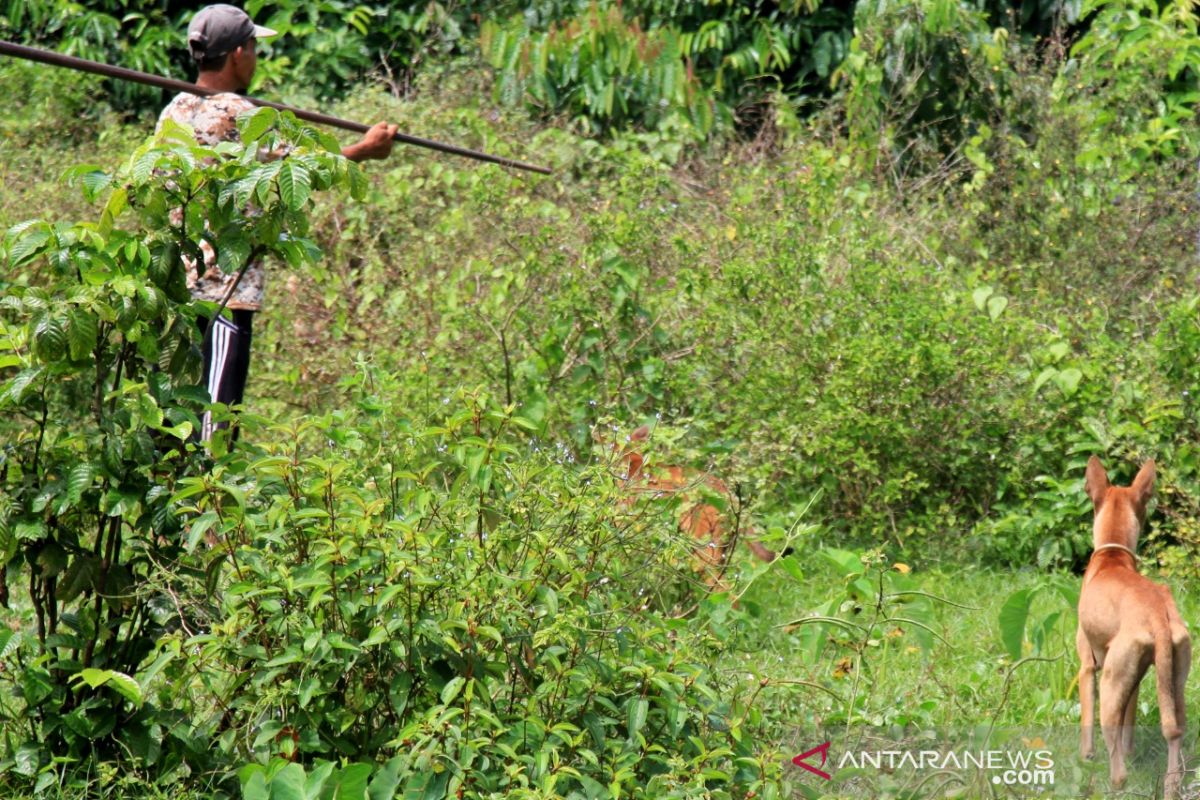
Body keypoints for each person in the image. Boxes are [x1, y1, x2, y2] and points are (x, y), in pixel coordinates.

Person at [157, 4, 398, 441]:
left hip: (174, 289)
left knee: (175, 421)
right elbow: (306, 168)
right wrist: (365, 149)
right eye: (254, 48)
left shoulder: (175, 108)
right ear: (238, 54)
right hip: (224, 291)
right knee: (215, 428)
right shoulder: (241, 114)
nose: (255, 57)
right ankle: (208, 505)